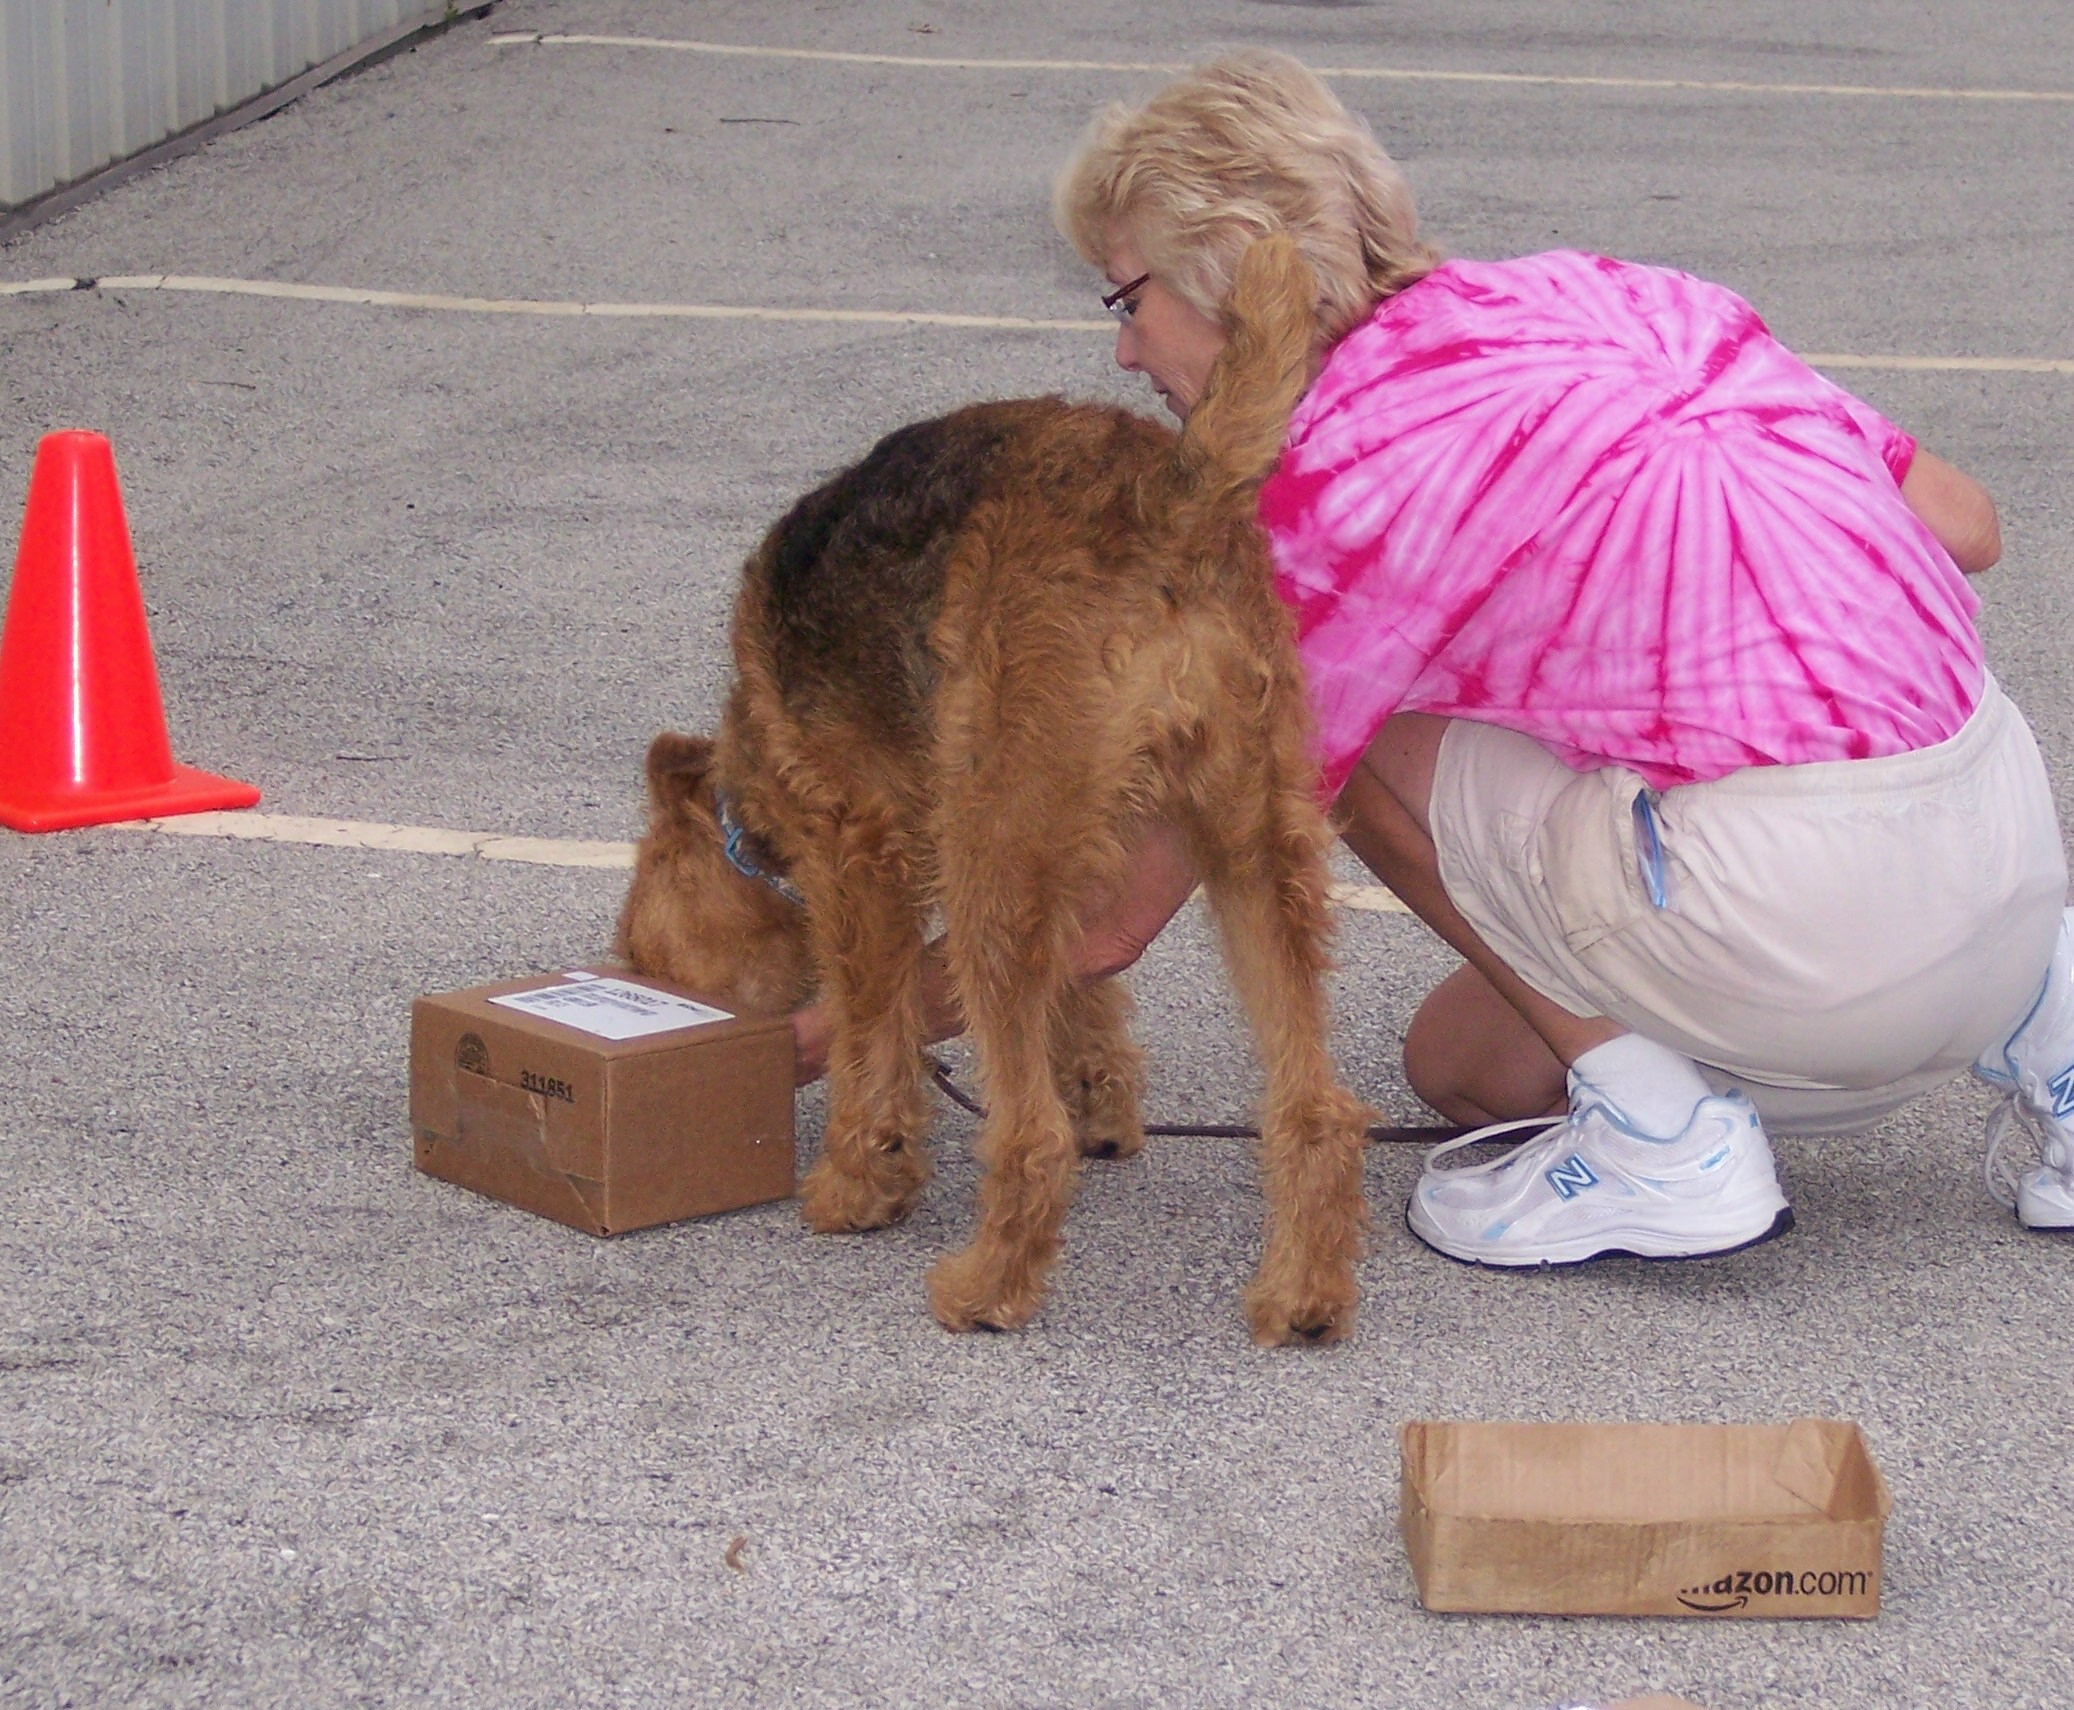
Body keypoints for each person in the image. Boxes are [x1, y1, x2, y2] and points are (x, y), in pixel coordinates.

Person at [798, 47, 2074, 1266]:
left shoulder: (1320, 486)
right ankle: (2047, 1054)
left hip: (1808, 931)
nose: (1125, 351)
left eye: (1128, 300)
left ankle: (1670, 1143)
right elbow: (1965, 527)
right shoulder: (1615, 295)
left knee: (1308, 744)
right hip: (2011, 877)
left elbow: (1114, 914)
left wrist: (830, 1032)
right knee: (1464, 1071)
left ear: (1238, 281)